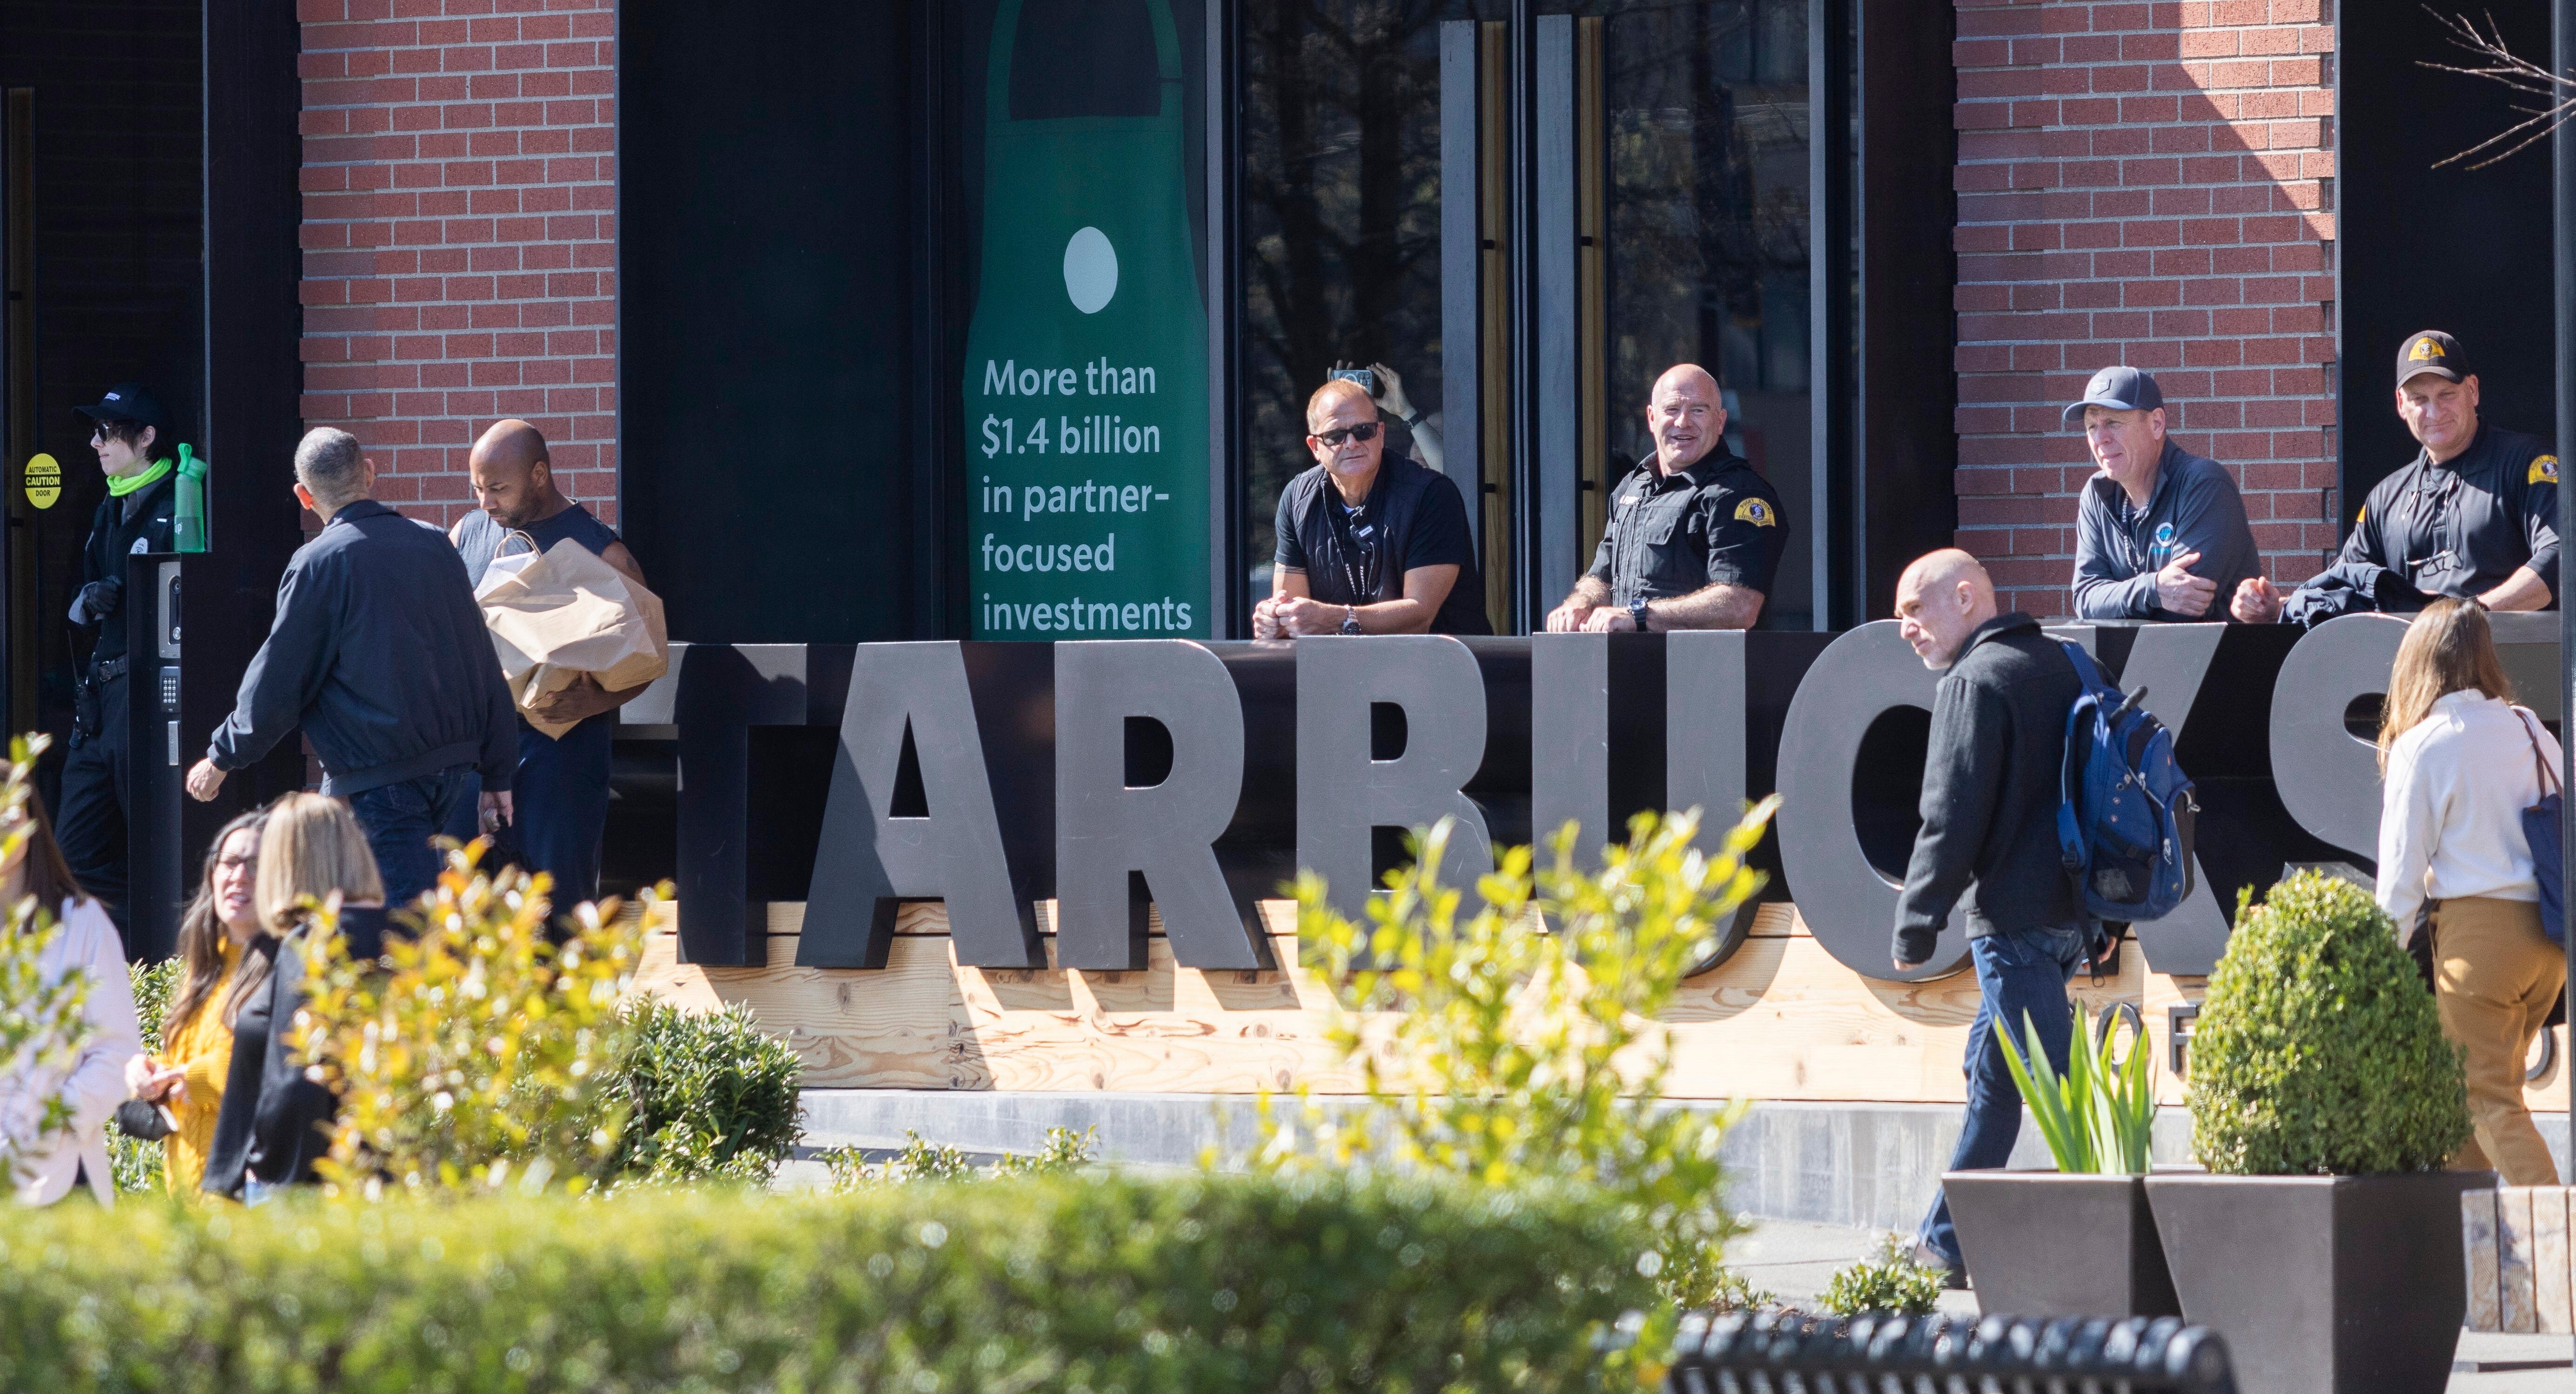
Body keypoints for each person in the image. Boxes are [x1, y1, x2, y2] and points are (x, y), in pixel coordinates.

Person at [1889, 548, 2106, 1285]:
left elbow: (1949, 816)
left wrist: (1916, 921)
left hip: (2012, 922)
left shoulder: (1975, 681)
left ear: (1965, 596)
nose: (1905, 628)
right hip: (2074, 918)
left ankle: (2109, 1245)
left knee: (2056, 1088)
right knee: (1995, 1079)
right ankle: (1944, 1245)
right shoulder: (2073, 663)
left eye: (1915, 609)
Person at [184, 428, 517, 909]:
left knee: (393, 932)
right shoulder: (434, 546)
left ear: (304, 496)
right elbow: (483, 663)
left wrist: (222, 756)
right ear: (369, 472)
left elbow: (279, 680)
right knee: (410, 918)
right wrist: (498, 772)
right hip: (453, 769)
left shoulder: (319, 563)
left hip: (380, 778)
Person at [2375, 599, 2564, 1185]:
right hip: (2547, 943)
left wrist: (2374, 965)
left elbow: (2401, 877)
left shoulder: (2425, 745)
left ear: (2418, 662)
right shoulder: (2530, 727)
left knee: (2487, 1102)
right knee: (2463, 1112)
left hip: (2478, 948)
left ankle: (2565, 1258)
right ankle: (2477, 1269)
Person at [440, 419, 650, 904]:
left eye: (497, 488)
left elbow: (647, 659)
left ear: (539, 475)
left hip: (558, 753)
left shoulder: (602, 550)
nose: (484, 503)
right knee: (457, 904)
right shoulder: (467, 533)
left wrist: (598, 699)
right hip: (471, 751)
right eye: (476, 488)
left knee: (555, 903)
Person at [2234, 331, 2557, 626]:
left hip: (2508, 662)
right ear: (2401, 404)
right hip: (2411, 671)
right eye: (2420, 399)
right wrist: (2276, 608)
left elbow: (2561, 560)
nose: (2435, 411)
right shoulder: (2387, 497)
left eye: (2447, 394)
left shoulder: (2526, 462)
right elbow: (2346, 588)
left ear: (2472, 390)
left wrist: (2470, 617)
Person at [201, 794, 389, 1201]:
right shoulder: (398, 936)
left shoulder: (310, 943)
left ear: (288, 863)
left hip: (300, 1189)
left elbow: (297, 1081)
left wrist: (267, 1169)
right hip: (383, 1178)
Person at [56, 383, 182, 935]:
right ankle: (136, 952)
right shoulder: (107, 504)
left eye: (107, 432)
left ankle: (163, 959)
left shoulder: (182, 499)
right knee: (73, 855)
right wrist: (92, 599)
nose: (96, 443)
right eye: (96, 432)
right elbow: (77, 598)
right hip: (100, 703)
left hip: (146, 698)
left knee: (158, 848)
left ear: (147, 437)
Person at [1543, 364, 1785, 633]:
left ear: (1720, 421)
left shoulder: (1738, 494)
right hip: (1626, 666)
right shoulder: (1633, 488)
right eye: (1672, 409)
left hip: (1704, 671)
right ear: (1651, 418)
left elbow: (1739, 607)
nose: (1683, 422)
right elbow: (1601, 576)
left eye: (1698, 410)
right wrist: (1581, 602)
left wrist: (1639, 616)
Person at [1254, 378, 1489, 638]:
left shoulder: (1431, 494)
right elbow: (1295, 611)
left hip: (1440, 668)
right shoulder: (1297, 499)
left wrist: (1338, 619)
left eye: (1363, 431)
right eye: (1335, 436)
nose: (1352, 443)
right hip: (1341, 671)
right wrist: (1276, 621)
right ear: (1315, 447)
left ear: (1381, 434)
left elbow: (1420, 617)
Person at [0, 788, 142, 1205]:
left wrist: (48, 1122)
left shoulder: (82, 924)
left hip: (55, 1178)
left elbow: (117, 1054)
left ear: (31, 826)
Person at [122, 812, 265, 1199]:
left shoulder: (286, 965)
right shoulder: (207, 962)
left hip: (245, 1202)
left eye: (257, 865)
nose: (240, 876)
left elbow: (275, 1072)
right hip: (186, 1197)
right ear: (212, 872)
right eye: (231, 862)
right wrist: (149, 1072)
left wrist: (192, 1077)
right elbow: (189, 1058)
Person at [2064, 366, 2260, 622]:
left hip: (2213, 660)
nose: (2101, 438)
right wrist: (2154, 589)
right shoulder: (2097, 493)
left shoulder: (2204, 484)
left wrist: (2117, 597)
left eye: (2113, 422)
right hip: (2129, 661)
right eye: (2092, 427)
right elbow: (2086, 598)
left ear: (2157, 424)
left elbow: (2188, 602)